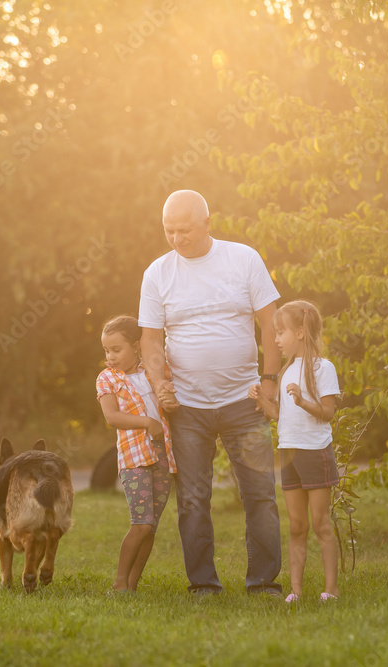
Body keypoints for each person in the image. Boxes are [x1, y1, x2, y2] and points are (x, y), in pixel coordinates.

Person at [139, 189, 283, 595]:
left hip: (246, 400)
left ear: (207, 223)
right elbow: (150, 342)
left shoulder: (243, 259)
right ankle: (202, 584)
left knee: (260, 495)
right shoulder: (158, 273)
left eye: (184, 230)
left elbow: (270, 325)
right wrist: (159, 383)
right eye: (169, 230)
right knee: (192, 500)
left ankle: (264, 583)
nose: (176, 238)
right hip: (187, 407)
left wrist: (269, 383)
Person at [249, 300, 341, 603]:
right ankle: (296, 591)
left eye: (280, 333)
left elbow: (328, 412)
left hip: (315, 452)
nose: (276, 340)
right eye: (274, 333)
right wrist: (263, 401)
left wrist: (302, 401)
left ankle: (331, 589)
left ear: (300, 332)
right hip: (289, 453)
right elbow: (281, 415)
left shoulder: (322, 368)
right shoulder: (287, 370)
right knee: (298, 526)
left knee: (321, 523)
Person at [96, 315, 177, 593]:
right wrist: (147, 423)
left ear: (136, 346)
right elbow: (112, 417)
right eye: (107, 350)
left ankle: (131, 585)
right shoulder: (107, 378)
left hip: (163, 455)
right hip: (134, 458)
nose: (110, 356)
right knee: (141, 524)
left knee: (151, 527)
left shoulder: (155, 371)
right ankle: (119, 583)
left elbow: (171, 403)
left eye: (116, 350)